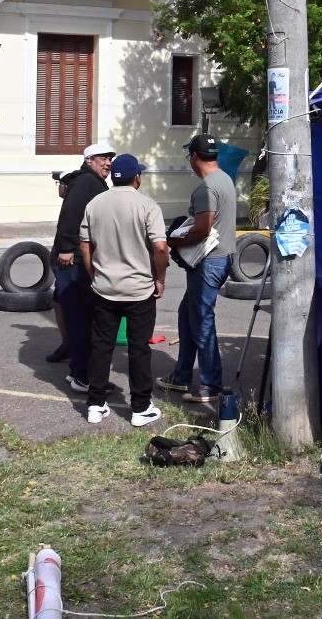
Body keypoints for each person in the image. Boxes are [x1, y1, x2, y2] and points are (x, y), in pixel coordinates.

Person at [79, 153, 168, 426]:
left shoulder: (95, 204)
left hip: (105, 288)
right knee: (139, 348)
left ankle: (96, 404)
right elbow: (161, 247)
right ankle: (140, 408)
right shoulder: (147, 205)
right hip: (140, 289)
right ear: (137, 177)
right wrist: (160, 278)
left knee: (101, 345)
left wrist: (95, 274)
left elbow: (85, 244)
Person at [160, 134, 237, 404]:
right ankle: (181, 377)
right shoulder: (224, 179)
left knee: (202, 322)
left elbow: (203, 229)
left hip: (209, 262)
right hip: (222, 258)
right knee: (187, 315)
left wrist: (174, 240)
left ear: (194, 156)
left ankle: (211, 386)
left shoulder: (205, 188)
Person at [51, 143, 115, 380]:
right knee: (80, 318)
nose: (108, 162)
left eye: (110, 158)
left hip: (77, 258)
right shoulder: (88, 181)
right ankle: (81, 375)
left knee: (78, 314)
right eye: (103, 158)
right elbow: (71, 213)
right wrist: (67, 248)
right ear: (89, 160)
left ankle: (78, 370)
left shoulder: (93, 181)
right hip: (72, 260)